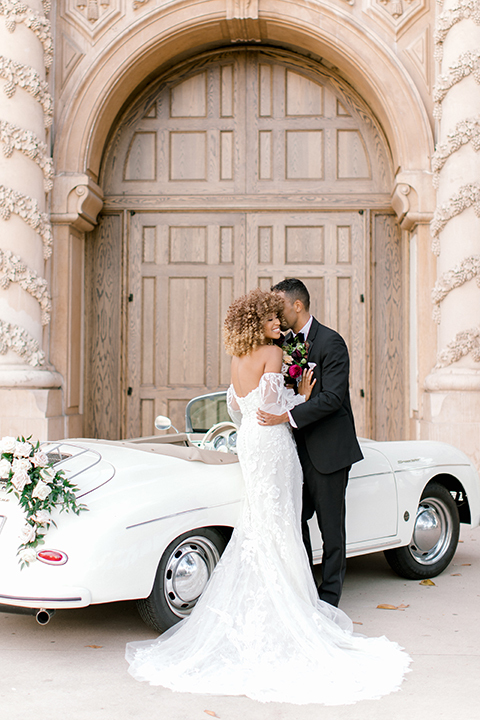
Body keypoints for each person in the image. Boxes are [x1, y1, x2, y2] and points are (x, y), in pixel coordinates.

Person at [125, 288, 410, 705]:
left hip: (255, 444)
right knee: (282, 520)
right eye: (272, 319)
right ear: (260, 321)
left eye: (281, 315)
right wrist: (303, 398)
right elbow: (277, 405)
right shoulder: (274, 354)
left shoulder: (245, 356)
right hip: (276, 442)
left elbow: (240, 410)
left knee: (268, 521)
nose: (279, 324)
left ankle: (308, 597)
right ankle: (302, 606)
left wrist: (284, 411)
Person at [257, 278, 363, 607]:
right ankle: (306, 587)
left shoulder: (331, 343)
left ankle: (329, 598)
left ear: (297, 306)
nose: (277, 314)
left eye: (280, 307)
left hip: (328, 450)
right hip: (294, 451)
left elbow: (332, 397)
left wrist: (288, 415)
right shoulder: (284, 346)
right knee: (295, 519)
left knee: (332, 529)